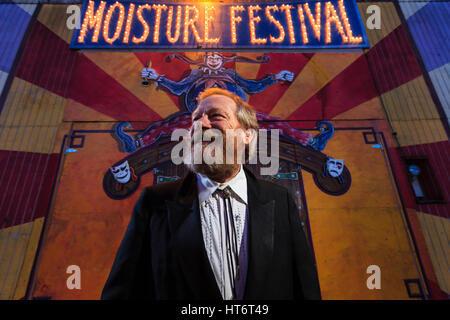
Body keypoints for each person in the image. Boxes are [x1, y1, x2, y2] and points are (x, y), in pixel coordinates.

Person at [101, 88, 321, 300]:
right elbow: (123, 291)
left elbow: (304, 288)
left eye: (216, 116)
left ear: (247, 135)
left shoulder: (279, 200)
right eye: (196, 119)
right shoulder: (155, 202)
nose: (201, 124)